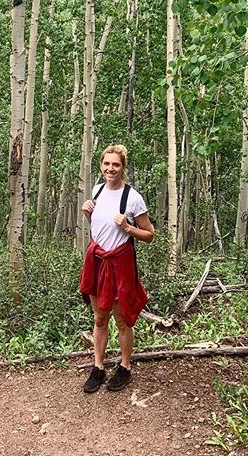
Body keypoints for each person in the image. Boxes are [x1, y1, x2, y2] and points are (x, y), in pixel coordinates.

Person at [79, 144, 155, 393]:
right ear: (101, 165)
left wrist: (128, 228)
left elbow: (149, 235)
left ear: (122, 168)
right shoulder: (97, 191)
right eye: (107, 164)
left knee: (123, 321)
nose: (110, 168)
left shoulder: (132, 197)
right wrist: (88, 214)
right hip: (97, 261)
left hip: (120, 264)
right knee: (99, 318)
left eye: (116, 165)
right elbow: (99, 228)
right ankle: (98, 367)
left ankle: (124, 367)